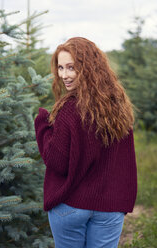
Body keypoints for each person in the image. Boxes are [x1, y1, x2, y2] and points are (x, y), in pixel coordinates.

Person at [34, 37, 137, 248]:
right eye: (60, 68)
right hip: (110, 206)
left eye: (71, 67)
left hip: (71, 205)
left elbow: (57, 162)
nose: (63, 75)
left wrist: (42, 125)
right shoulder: (119, 106)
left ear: (88, 66)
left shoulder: (69, 109)